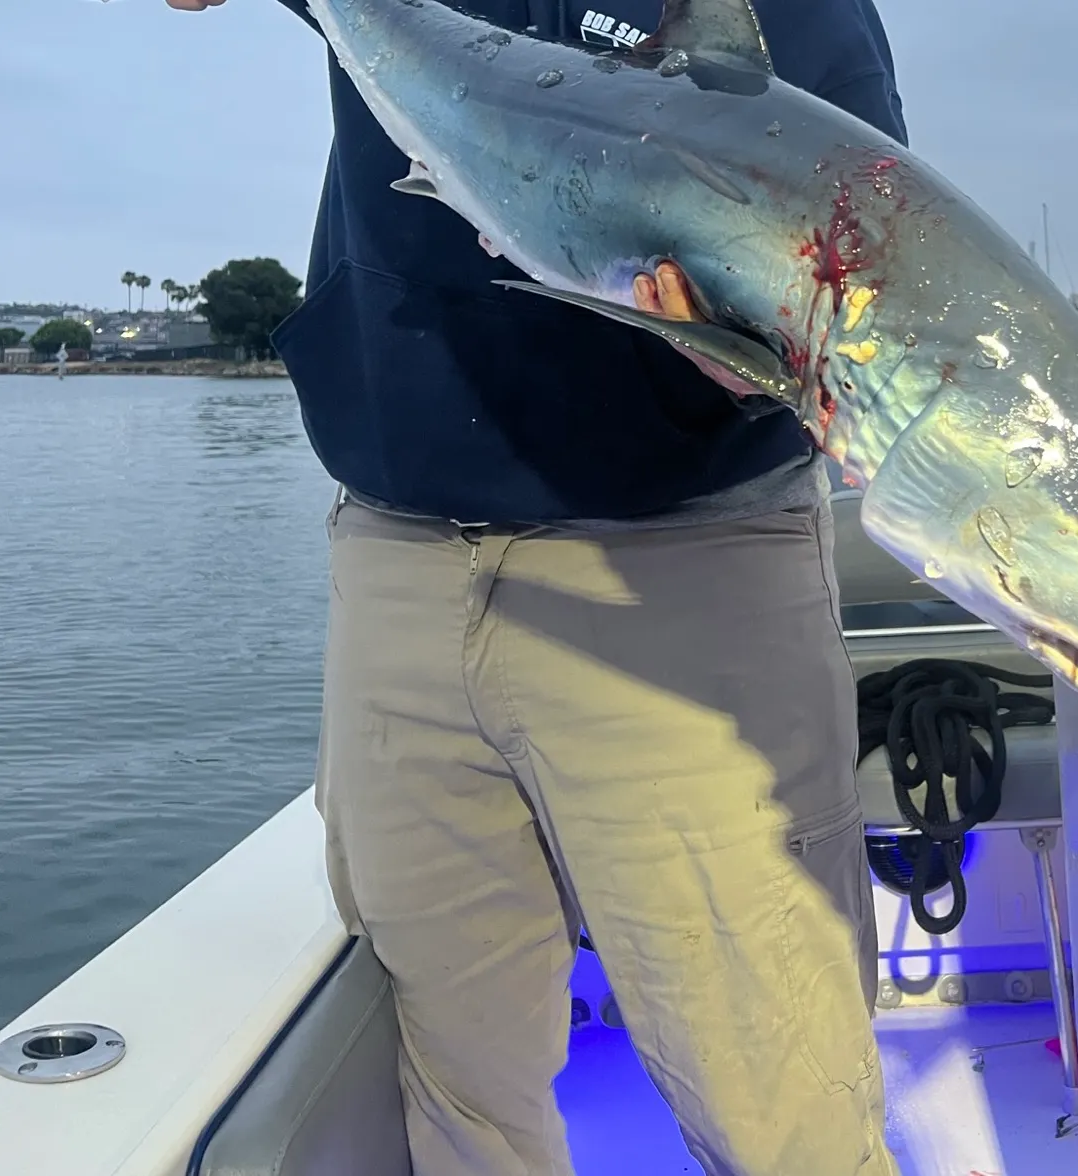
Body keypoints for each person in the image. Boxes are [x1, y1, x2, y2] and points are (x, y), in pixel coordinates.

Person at [165, 1, 910, 1173]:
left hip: (678, 579)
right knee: (459, 1092)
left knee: (784, 1102)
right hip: (394, 560)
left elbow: (863, 267)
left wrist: (754, 349)